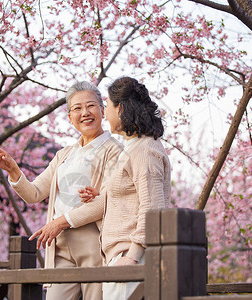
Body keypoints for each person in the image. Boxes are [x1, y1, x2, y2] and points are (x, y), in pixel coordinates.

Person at [0, 81, 123, 300]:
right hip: (59, 246)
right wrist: (13, 170)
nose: (85, 112)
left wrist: (59, 222)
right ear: (70, 118)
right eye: (77, 108)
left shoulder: (114, 151)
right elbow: (34, 194)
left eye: (91, 106)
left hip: (95, 242)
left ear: (102, 110)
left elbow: (108, 201)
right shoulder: (63, 155)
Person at [80, 76, 171, 300]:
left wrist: (131, 257)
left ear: (120, 108)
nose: (105, 113)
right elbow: (135, 196)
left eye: (107, 106)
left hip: (132, 258)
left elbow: (153, 209)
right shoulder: (134, 148)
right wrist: (105, 196)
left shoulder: (144, 150)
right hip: (123, 256)